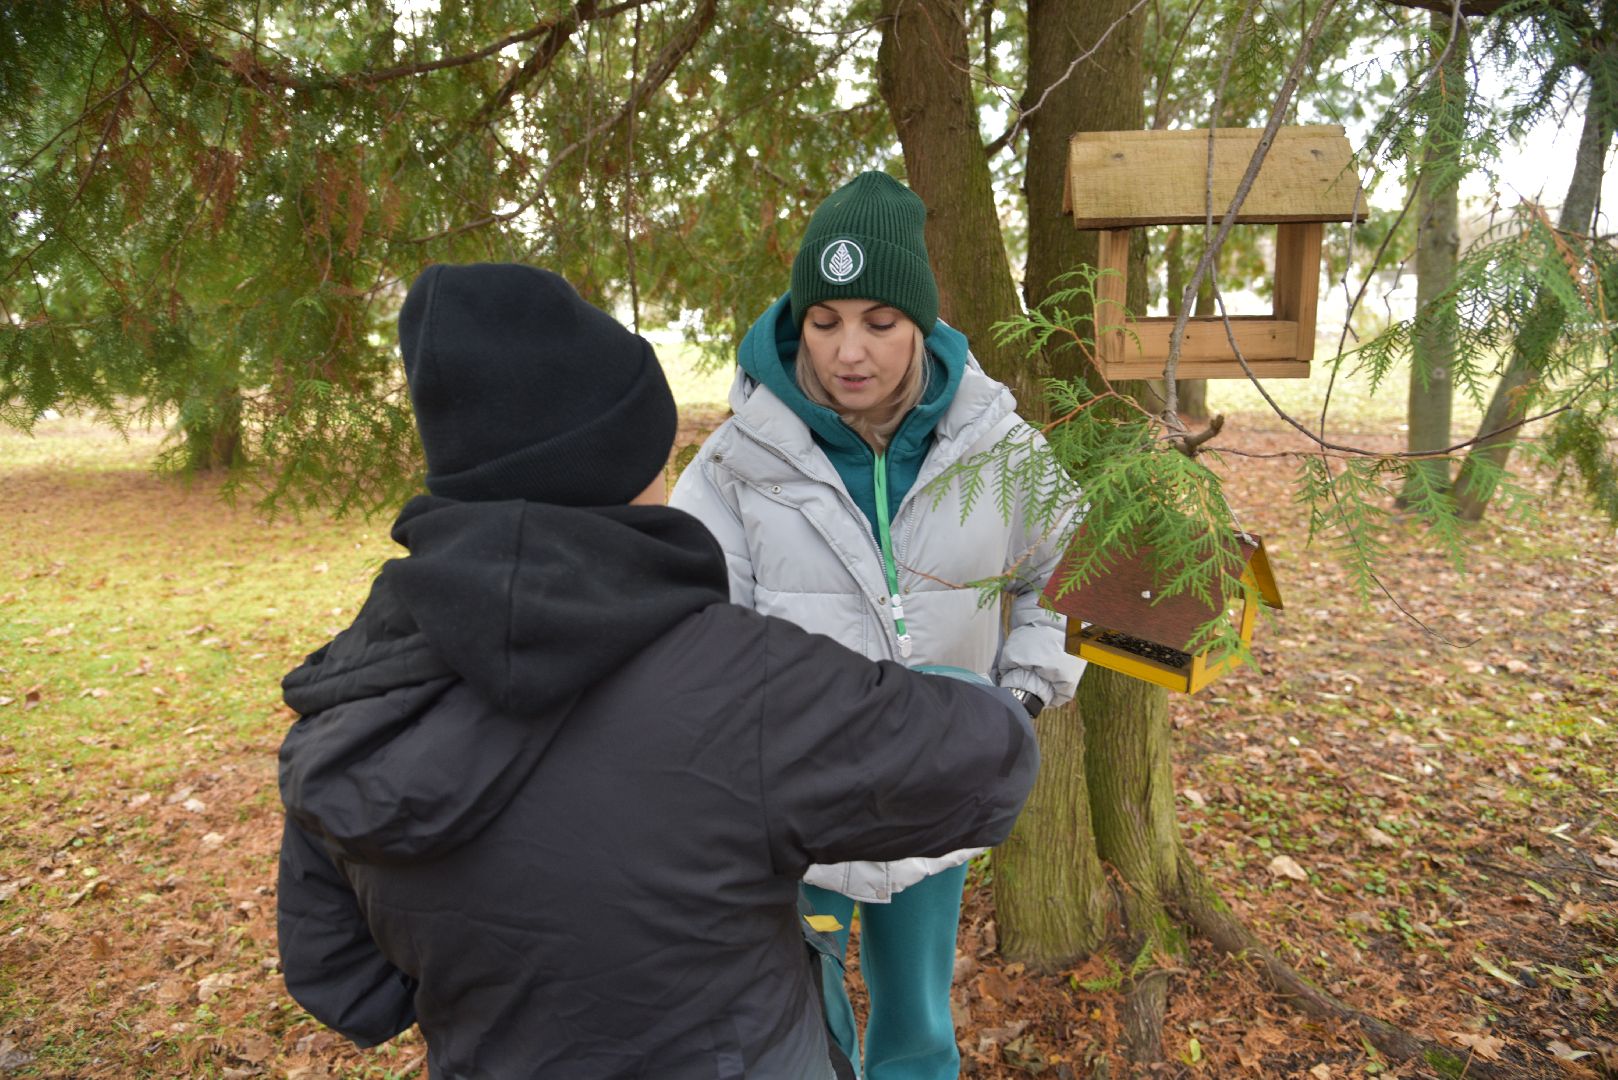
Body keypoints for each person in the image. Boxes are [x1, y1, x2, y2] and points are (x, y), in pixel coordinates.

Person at [274, 262, 1042, 1080]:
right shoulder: (743, 685)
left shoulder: (350, 708)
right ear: (620, 465)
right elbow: (986, 762)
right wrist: (964, 685)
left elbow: (347, 987)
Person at [669, 172, 1083, 1080]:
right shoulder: (739, 463)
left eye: (878, 322)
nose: (848, 352)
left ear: (921, 321)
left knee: (919, 1037)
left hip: (936, 794)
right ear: (798, 320)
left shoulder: (999, 447)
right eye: (824, 322)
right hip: (793, 815)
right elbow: (694, 626)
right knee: (794, 1036)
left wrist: (1022, 690)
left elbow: (1067, 570)